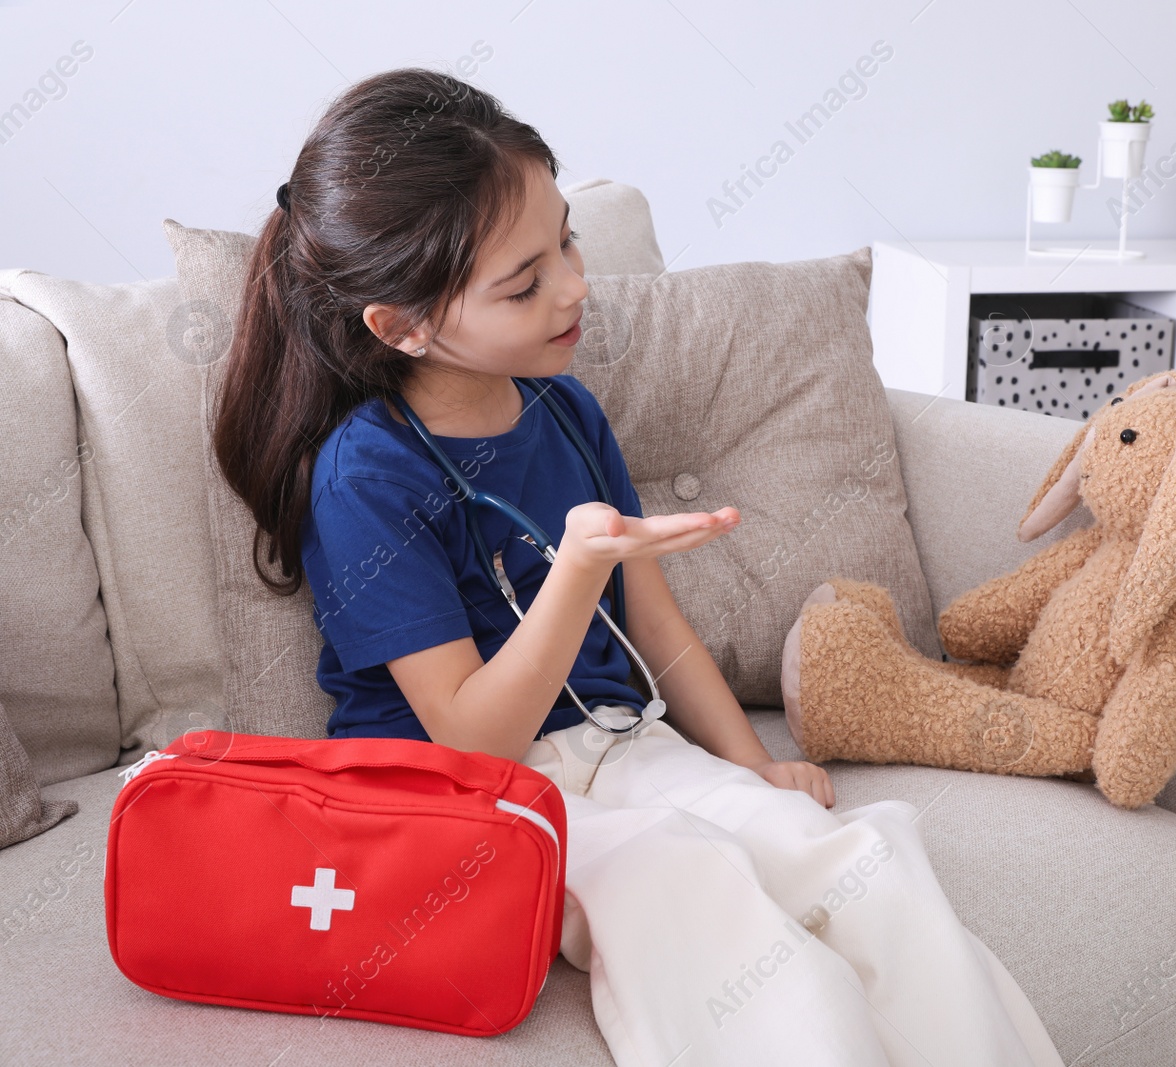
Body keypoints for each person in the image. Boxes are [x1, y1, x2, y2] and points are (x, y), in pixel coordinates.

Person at [211, 66, 1065, 1067]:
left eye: (565, 239)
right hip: (473, 797)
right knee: (688, 885)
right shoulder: (367, 474)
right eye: (524, 283)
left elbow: (654, 625)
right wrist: (573, 573)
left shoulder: (565, 413)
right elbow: (471, 736)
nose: (574, 285)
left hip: (625, 745)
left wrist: (753, 766)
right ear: (401, 325)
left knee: (868, 858)